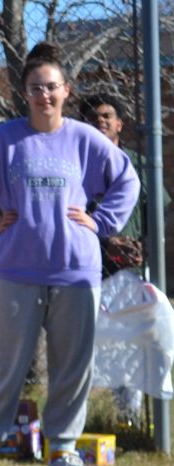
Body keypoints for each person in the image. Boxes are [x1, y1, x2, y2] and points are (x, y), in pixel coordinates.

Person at [0, 43, 140, 466]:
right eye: (36, 88)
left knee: (72, 365)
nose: (44, 96)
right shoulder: (4, 140)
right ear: (25, 92)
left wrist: (100, 221)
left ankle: (64, 454)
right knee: (3, 363)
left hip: (76, 272)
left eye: (52, 87)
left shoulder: (84, 138)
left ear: (66, 90)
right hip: (15, 270)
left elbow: (126, 179)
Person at [80, 93, 171, 424]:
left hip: (129, 273)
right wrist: (105, 244)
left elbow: (156, 212)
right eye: (92, 117)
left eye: (107, 116)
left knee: (130, 343)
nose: (100, 121)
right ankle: (79, 423)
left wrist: (143, 245)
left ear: (120, 123)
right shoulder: (75, 167)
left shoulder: (137, 164)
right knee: (82, 349)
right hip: (86, 272)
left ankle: (128, 419)